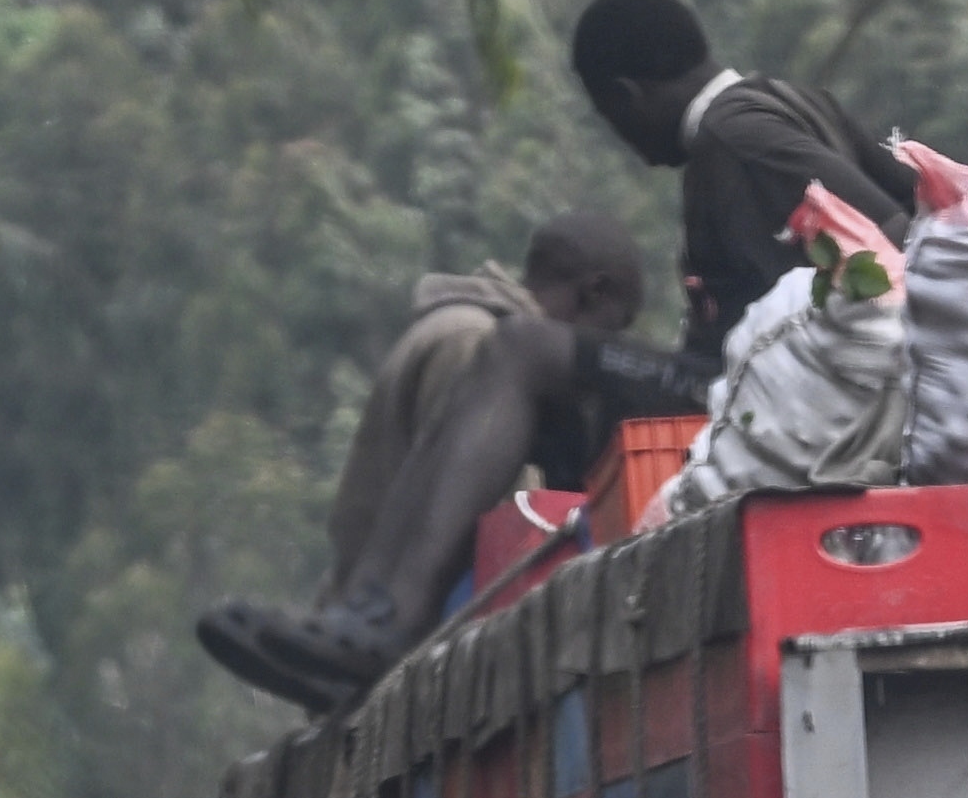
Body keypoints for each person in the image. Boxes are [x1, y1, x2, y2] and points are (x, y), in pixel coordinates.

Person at [197, 222, 650, 715]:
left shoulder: (455, 329)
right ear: (593, 292)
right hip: (403, 653)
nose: (607, 345)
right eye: (617, 324)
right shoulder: (477, 345)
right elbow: (489, 525)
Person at [567, 0, 913, 366]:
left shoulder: (731, 139)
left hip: (819, 383)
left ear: (626, 96)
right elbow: (916, 201)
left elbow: (896, 231)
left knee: (543, 349)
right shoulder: (791, 98)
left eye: (609, 114)